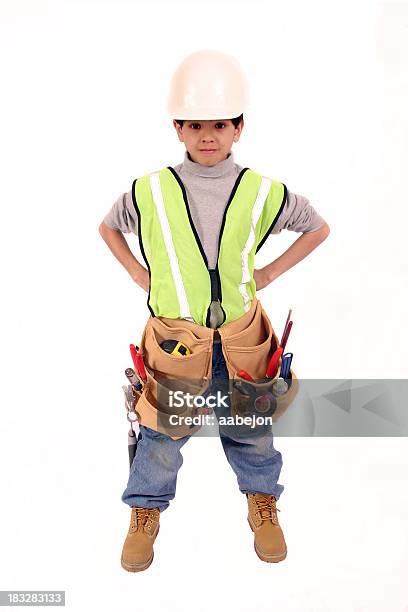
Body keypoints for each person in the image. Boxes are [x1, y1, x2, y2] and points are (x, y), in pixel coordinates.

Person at [99, 50, 330, 572]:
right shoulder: (150, 191)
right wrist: (139, 274)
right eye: (196, 124)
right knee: (162, 433)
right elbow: (108, 227)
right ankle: (145, 511)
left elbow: (317, 227)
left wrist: (267, 275)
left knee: (250, 426)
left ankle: (262, 502)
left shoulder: (263, 192)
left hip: (242, 338)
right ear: (178, 128)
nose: (209, 135)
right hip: (177, 342)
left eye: (220, 124)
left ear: (239, 128)